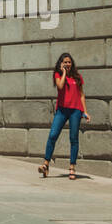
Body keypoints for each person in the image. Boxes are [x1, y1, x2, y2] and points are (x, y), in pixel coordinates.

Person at [38, 52, 89, 180]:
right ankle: (46, 164)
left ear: (72, 63)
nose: (67, 64)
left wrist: (85, 111)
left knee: (73, 139)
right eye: (65, 62)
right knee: (53, 135)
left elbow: (82, 95)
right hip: (61, 110)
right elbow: (60, 87)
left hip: (75, 111)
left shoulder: (78, 77)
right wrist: (64, 73)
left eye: (69, 62)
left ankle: (72, 168)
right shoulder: (58, 75)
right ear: (61, 63)